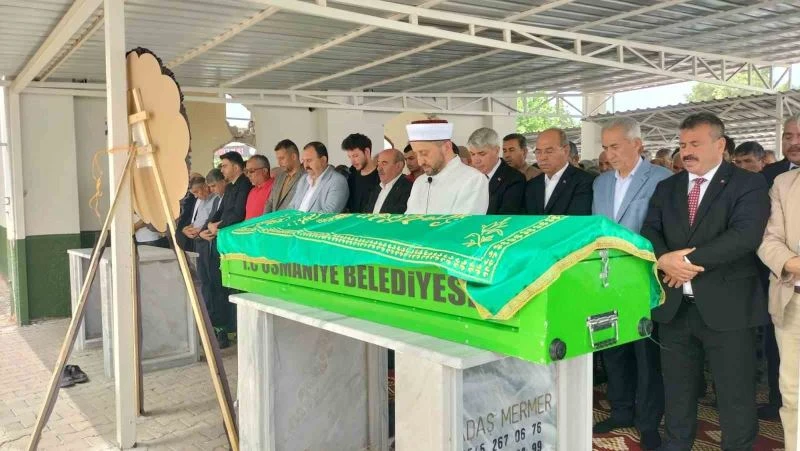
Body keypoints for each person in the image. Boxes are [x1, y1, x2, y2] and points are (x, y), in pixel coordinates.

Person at [641, 112, 769, 450]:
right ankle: (677, 444)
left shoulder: (748, 183)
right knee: (677, 390)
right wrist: (662, 258)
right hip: (675, 307)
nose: (686, 151)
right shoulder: (667, 187)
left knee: (735, 393)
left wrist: (682, 262)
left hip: (729, 308)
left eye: (695, 144)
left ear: (720, 144)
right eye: (683, 144)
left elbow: (744, 236)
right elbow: (649, 230)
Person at [592, 118, 670, 450]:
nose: (609, 154)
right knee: (613, 348)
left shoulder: (662, 179)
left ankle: (648, 422)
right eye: (605, 147)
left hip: (644, 278)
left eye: (615, 146)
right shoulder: (601, 183)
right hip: (608, 279)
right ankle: (621, 410)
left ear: (637, 144)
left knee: (646, 354)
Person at [757, 114, 800, 420]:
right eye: (788, 136)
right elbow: (768, 239)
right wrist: (791, 263)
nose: (794, 142)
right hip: (791, 299)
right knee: (792, 392)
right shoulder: (782, 183)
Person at [203, 151, 252, 345]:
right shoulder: (231, 187)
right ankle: (226, 328)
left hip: (236, 242)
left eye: (224, 165)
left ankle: (236, 329)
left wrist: (218, 227)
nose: (221, 169)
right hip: (223, 239)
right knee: (220, 286)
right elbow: (221, 211)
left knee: (236, 288)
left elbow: (238, 214)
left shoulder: (244, 185)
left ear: (236, 167)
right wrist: (210, 224)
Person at [404, 120, 488, 214]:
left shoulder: (473, 179)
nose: (420, 162)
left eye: (424, 153)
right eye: (416, 154)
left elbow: (464, 222)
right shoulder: (419, 182)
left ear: (446, 147)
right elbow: (409, 219)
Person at [523, 128, 594, 215]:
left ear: (566, 150)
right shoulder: (532, 185)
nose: (542, 157)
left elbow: (577, 219)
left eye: (549, 151)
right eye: (538, 152)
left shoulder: (583, 181)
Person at [468, 127, 524, 214]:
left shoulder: (514, 179)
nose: (476, 160)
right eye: (472, 154)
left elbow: (504, 218)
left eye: (482, 154)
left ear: (497, 151)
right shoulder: (470, 177)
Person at [289, 141, 349, 213]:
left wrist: (301, 219)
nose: (305, 165)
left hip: (314, 221)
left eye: (309, 160)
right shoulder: (303, 179)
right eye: (304, 161)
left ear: (323, 160)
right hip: (294, 219)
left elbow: (329, 213)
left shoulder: (337, 181)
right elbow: (291, 207)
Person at [365, 148, 413, 214]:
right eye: (378, 164)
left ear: (399, 166)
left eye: (384, 163)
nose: (379, 168)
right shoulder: (376, 189)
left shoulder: (409, 189)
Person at [180, 175, 219, 252]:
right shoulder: (202, 200)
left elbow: (212, 221)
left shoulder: (217, 199)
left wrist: (199, 232)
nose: (195, 196)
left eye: (196, 192)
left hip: (209, 241)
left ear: (205, 187)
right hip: (198, 240)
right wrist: (187, 228)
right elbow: (198, 220)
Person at [343, 133, 379, 213]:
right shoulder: (351, 174)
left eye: (355, 156)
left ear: (367, 152)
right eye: (350, 157)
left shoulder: (380, 177)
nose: (352, 161)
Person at [265, 139, 302, 213]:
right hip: (273, 219)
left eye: (282, 158)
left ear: (294, 156)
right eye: (278, 159)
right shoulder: (279, 177)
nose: (279, 163)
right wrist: (265, 219)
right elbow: (270, 202)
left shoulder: (307, 177)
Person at [244, 154, 274, 220]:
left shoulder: (274, 187)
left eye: (251, 171)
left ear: (264, 171)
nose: (248, 175)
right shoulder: (252, 191)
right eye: (246, 172)